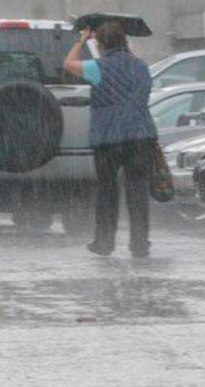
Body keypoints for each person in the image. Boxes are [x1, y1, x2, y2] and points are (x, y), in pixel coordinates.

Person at [63, 21, 159, 258]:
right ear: (125, 42)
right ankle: (140, 244)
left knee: (107, 191)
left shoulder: (98, 67)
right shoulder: (141, 66)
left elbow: (68, 64)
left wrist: (81, 40)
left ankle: (104, 242)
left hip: (108, 137)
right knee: (137, 191)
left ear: (101, 44)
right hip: (140, 135)